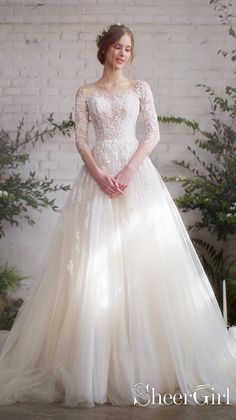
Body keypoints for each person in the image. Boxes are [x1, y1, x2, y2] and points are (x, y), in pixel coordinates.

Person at [0, 23, 236, 409]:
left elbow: (153, 134)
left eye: (128, 48)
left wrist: (127, 171)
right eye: (117, 47)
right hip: (96, 180)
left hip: (135, 177)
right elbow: (80, 138)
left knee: (144, 262)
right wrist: (98, 174)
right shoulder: (86, 92)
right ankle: (93, 366)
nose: (123, 53)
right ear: (104, 50)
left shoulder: (140, 88)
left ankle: (150, 363)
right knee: (94, 268)